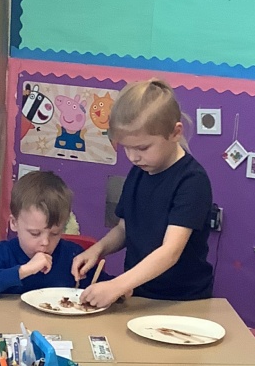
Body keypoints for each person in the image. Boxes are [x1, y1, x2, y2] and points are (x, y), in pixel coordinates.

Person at [72, 79, 213, 308]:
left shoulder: (192, 181)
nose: (133, 157)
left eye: (142, 147)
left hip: (182, 300)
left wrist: (117, 285)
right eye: (126, 147)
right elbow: (124, 229)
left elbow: (170, 252)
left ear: (175, 133)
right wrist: (97, 249)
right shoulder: (140, 170)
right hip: (139, 294)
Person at [0, 171, 112, 299]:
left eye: (55, 233)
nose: (45, 242)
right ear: (14, 223)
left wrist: (114, 289)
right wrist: (25, 270)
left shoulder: (72, 255)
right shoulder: (3, 253)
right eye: (35, 233)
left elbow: (107, 286)